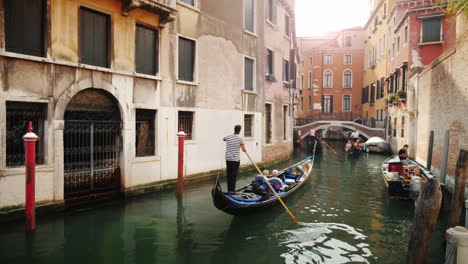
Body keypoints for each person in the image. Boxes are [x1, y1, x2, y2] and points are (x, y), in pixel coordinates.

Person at [223, 125, 246, 194]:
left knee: (229, 174)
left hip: (228, 158)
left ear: (234, 129)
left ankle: (229, 190)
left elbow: (223, 139)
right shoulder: (240, 138)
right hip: (235, 159)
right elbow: (243, 149)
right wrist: (242, 148)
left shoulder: (228, 136)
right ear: (240, 130)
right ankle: (232, 191)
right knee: (233, 175)